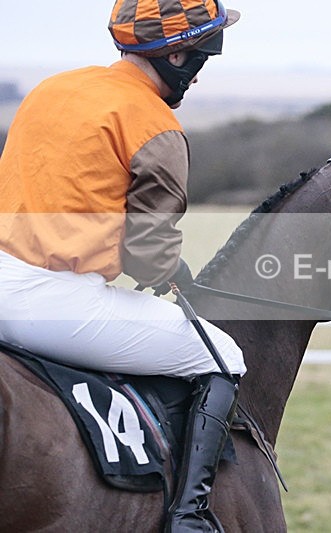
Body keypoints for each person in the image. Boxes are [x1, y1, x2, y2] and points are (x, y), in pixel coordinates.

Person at [0, 1, 245, 531]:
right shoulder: (156, 125)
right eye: (203, 54)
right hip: (52, 300)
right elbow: (148, 250)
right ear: (176, 53)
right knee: (223, 355)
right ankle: (190, 515)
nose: (200, 73)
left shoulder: (52, 88)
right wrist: (170, 271)